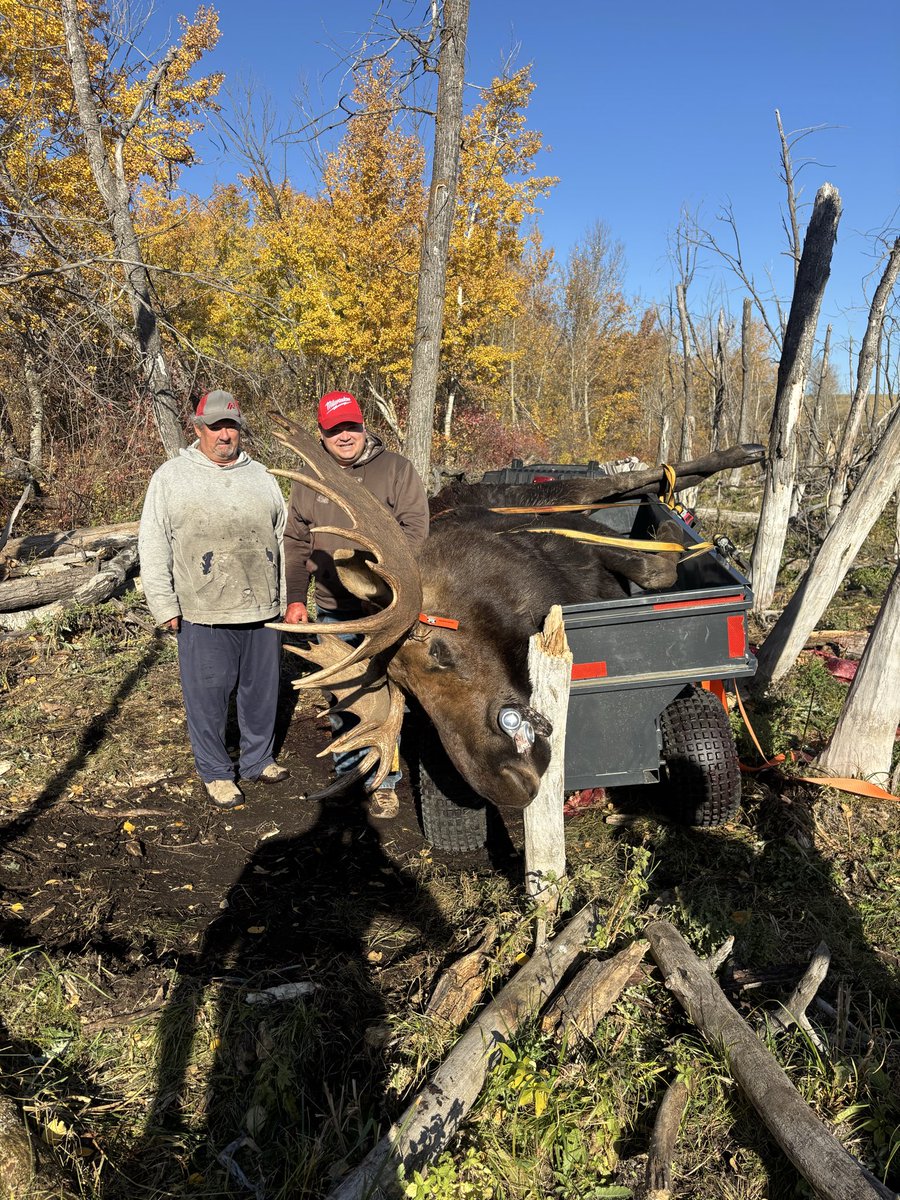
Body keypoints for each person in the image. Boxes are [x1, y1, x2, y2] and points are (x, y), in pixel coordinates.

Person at [138, 390, 289, 810]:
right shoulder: (171, 477)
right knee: (207, 698)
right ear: (198, 428)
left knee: (261, 693)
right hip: (203, 610)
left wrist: (288, 599)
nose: (225, 434)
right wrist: (164, 605)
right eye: (216, 426)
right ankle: (217, 772)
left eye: (232, 426)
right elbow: (152, 545)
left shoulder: (261, 475)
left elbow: (283, 539)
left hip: (264, 608)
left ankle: (258, 760)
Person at [282, 391, 429, 818]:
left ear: (363, 425)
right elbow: (296, 542)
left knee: (389, 696)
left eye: (350, 426)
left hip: (387, 609)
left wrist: (382, 583)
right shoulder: (311, 478)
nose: (344, 436)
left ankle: (386, 781)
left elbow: (417, 532)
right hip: (332, 608)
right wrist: (295, 599)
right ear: (322, 435)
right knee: (346, 697)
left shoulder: (395, 470)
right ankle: (349, 773)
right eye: (334, 430)